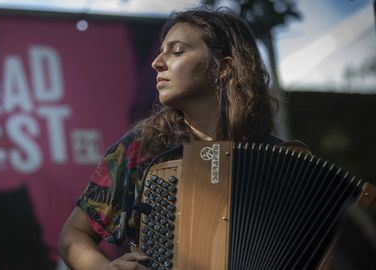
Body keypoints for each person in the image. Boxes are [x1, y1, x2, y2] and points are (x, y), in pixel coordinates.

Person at [58, 7, 283, 269]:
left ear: (224, 67)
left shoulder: (277, 158)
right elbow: (73, 235)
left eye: (177, 51)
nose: (157, 62)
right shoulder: (142, 147)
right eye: (162, 50)